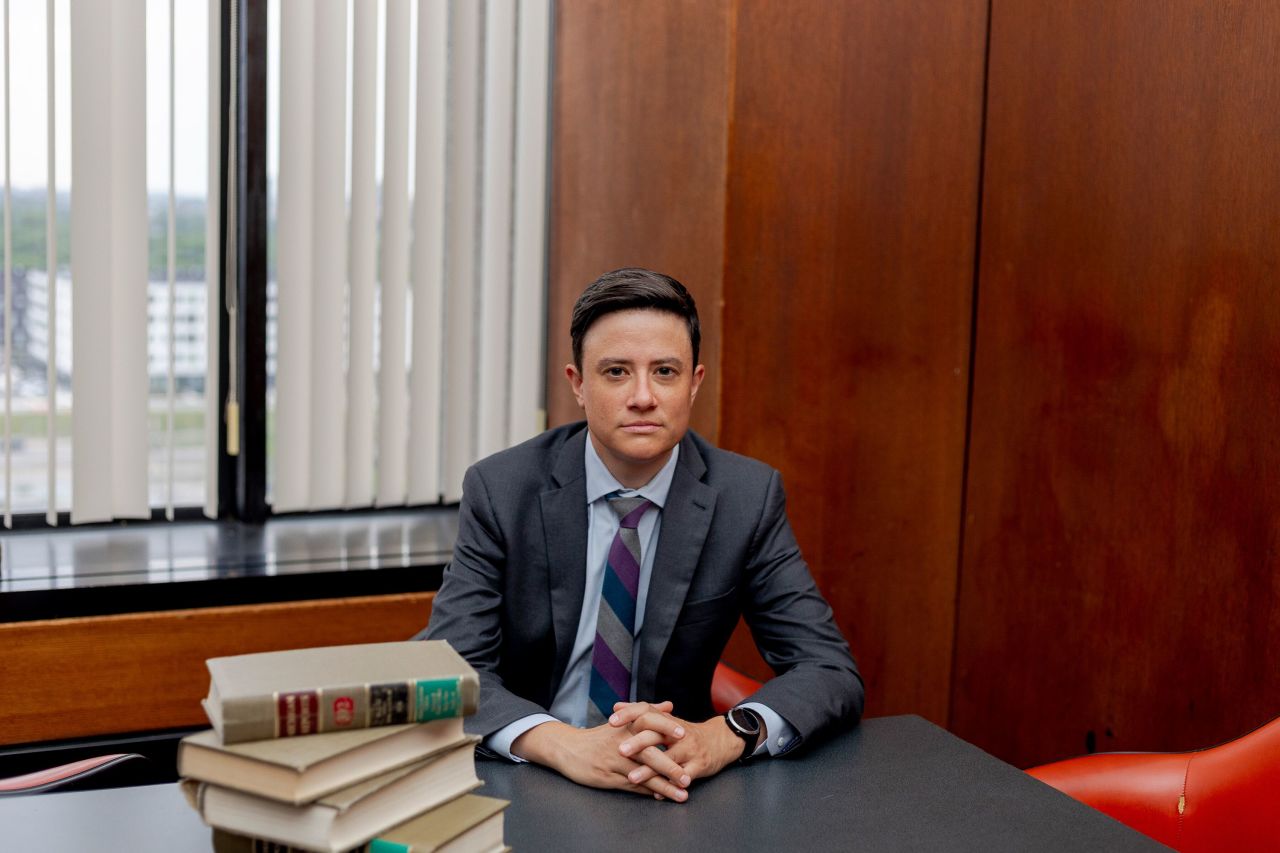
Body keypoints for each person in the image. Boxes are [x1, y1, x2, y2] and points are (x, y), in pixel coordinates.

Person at [423, 267, 863, 802]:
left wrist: (723, 737)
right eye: (615, 372)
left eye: (665, 371)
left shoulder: (745, 497)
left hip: (672, 787)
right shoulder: (503, 489)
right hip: (528, 775)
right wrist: (564, 744)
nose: (643, 396)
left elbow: (827, 668)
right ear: (578, 385)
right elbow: (446, 670)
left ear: (694, 383)